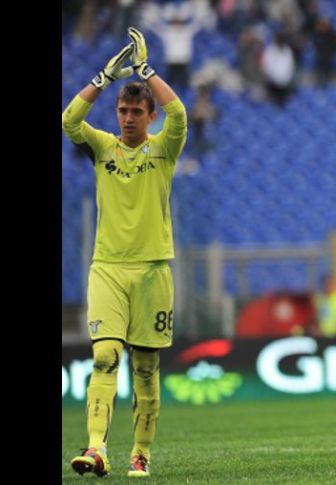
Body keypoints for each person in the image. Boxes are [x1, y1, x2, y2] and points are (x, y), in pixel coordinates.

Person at [62, 27, 187, 478]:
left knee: (148, 368)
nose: (128, 117)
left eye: (136, 110)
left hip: (153, 271)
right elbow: (69, 122)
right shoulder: (101, 147)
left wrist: (144, 70)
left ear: (149, 116)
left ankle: (140, 452)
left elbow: (180, 115)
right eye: (123, 109)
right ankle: (96, 449)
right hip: (108, 270)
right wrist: (103, 77)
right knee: (104, 356)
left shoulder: (164, 149)